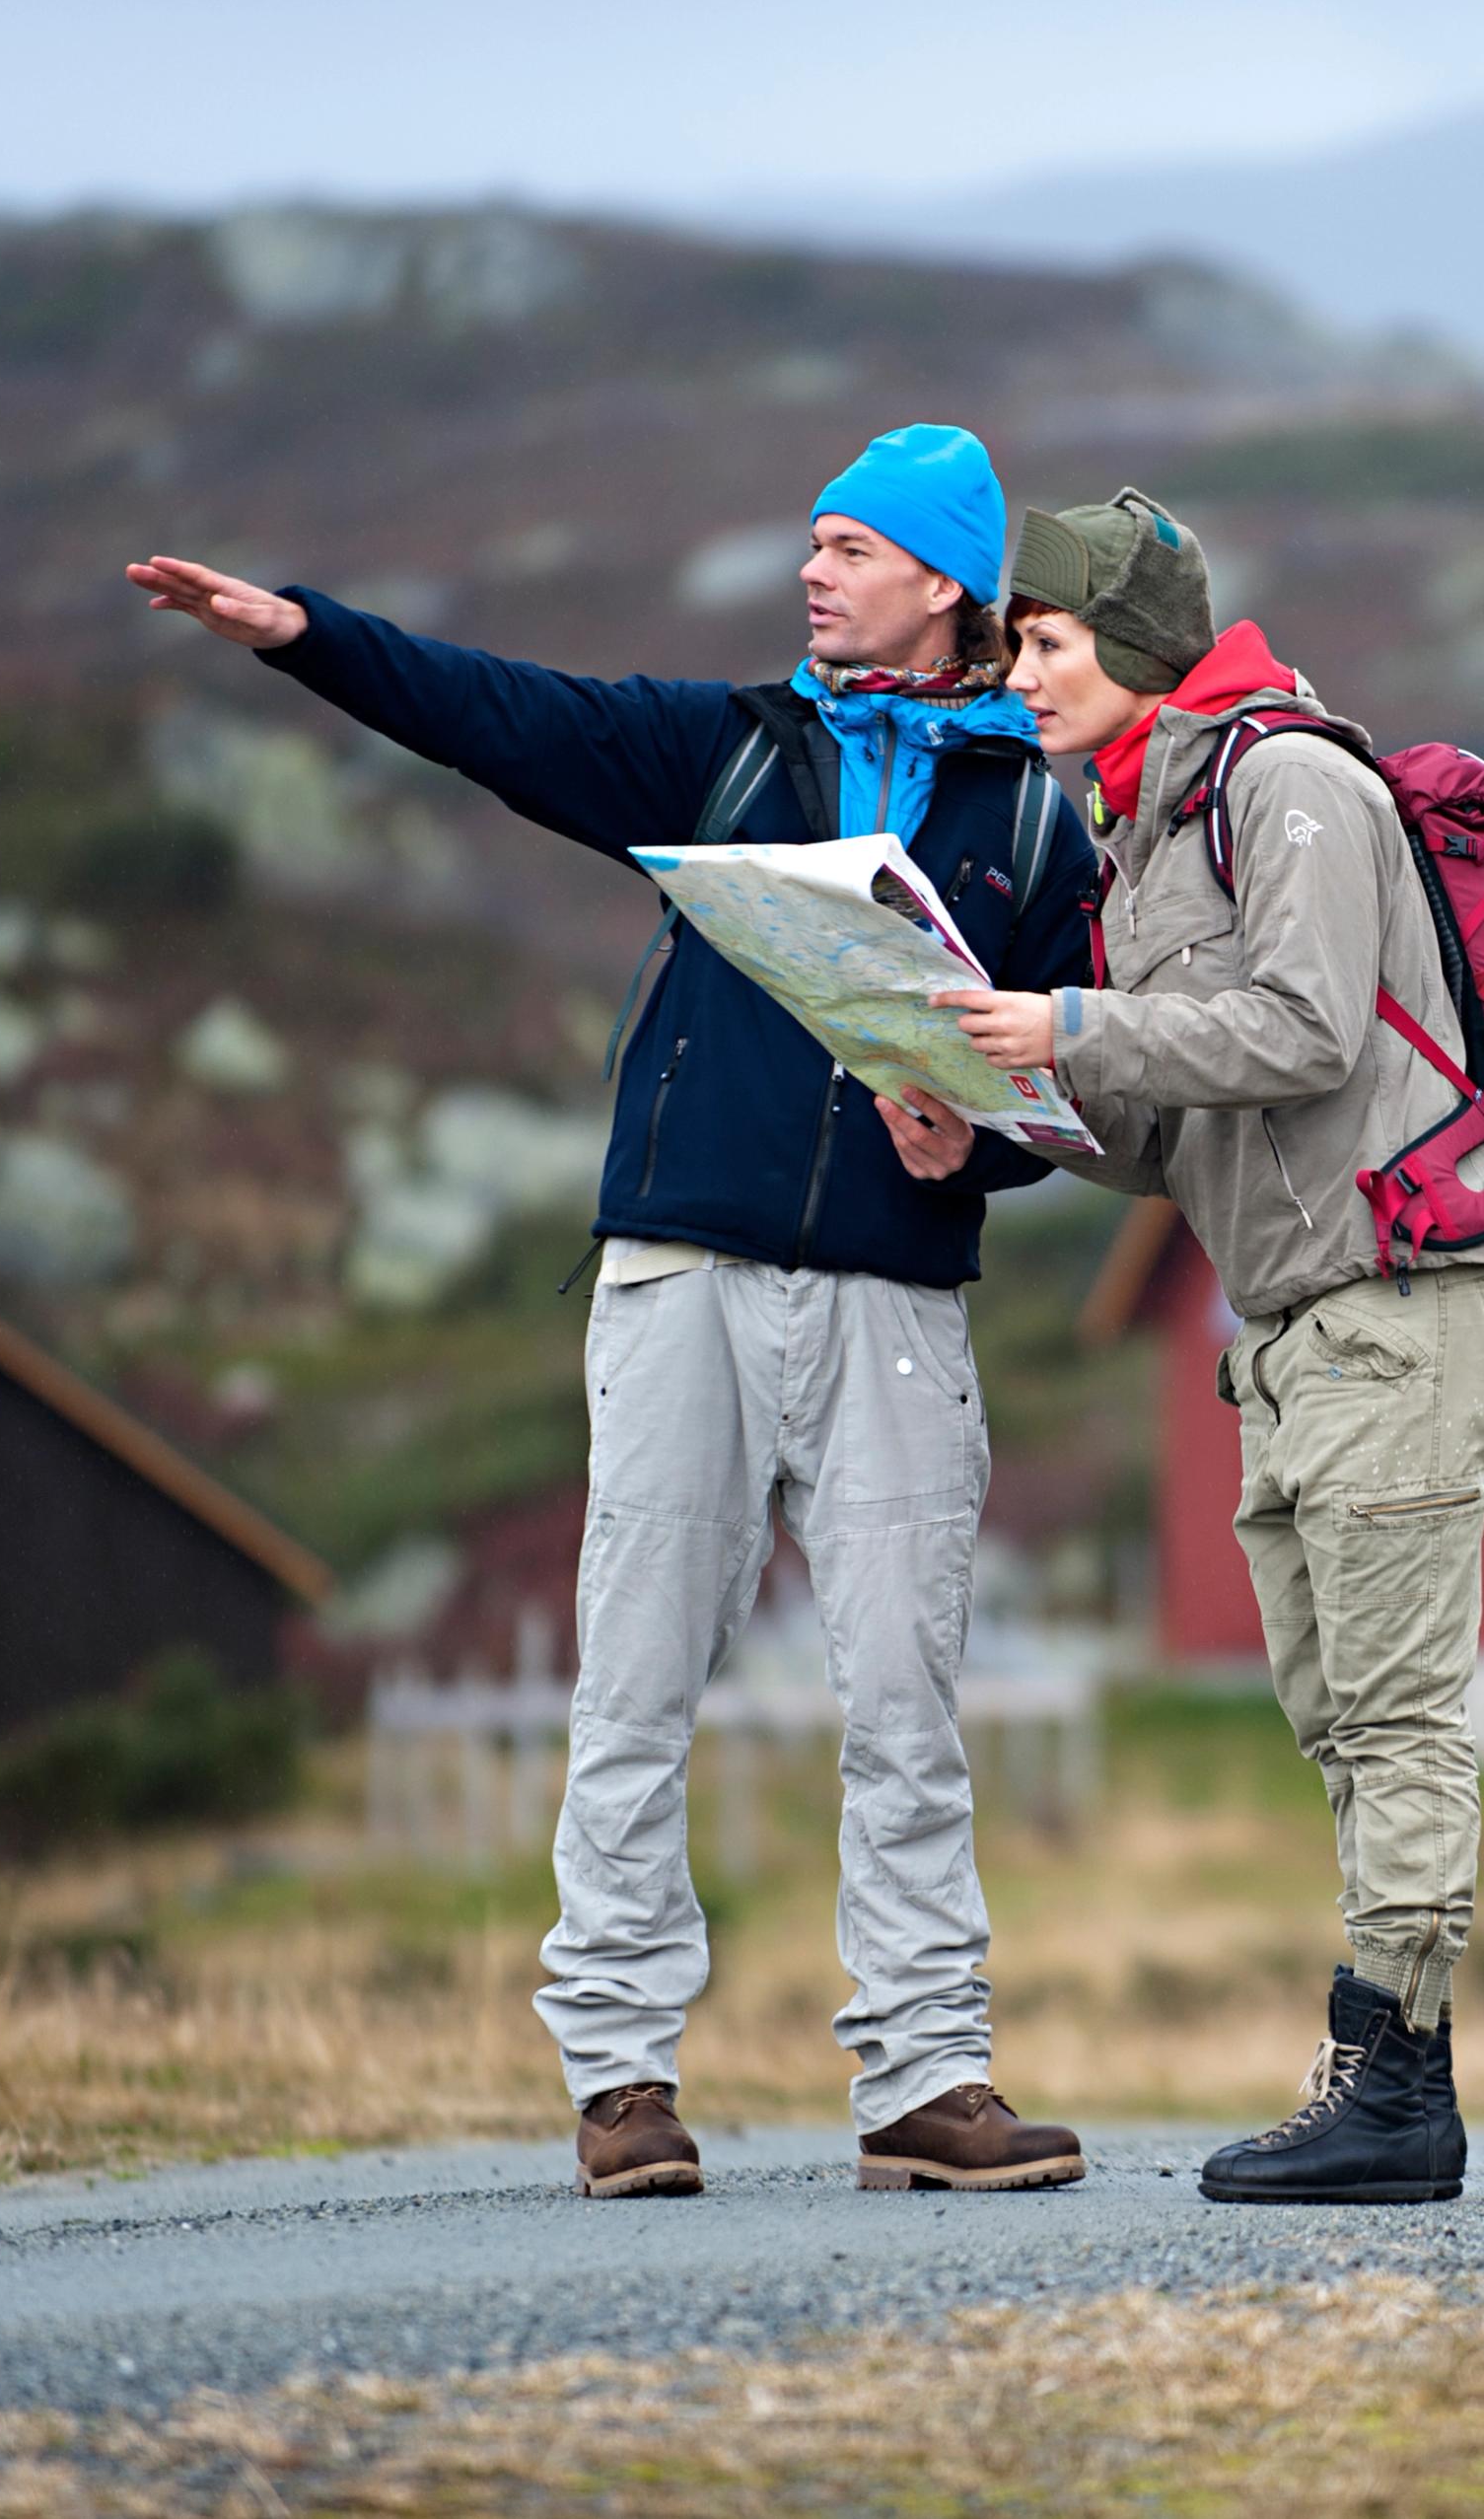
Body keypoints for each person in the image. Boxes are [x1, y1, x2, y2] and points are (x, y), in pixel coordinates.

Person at [124, 424, 1095, 2201]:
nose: (813, 571)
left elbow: (1077, 1086)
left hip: (898, 1301)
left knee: (909, 1699)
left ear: (945, 583)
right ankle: (622, 2081)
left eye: (853, 548)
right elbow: (502, 714)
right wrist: (304, 635)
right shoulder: (718, 749)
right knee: (635, 1681)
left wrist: (978, 1150)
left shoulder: (1037, 811)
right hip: (681, 1273)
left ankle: (927, 2084)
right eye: (810, 540)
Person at [883, 487, 1484, 2205]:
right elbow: (1190, 1130)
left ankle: (1393, 2081)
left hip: (1402, 1308)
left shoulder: (1290, 784)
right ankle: (1395, 2072)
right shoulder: (1155, 831)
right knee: (1340, 1718)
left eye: (1047, 640)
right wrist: (1012, 1112)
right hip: (1300, 1332)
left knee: (1395, 1718)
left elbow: (1308, 1031)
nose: (1018, 673)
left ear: (1141, 647)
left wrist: (1074, 1020)